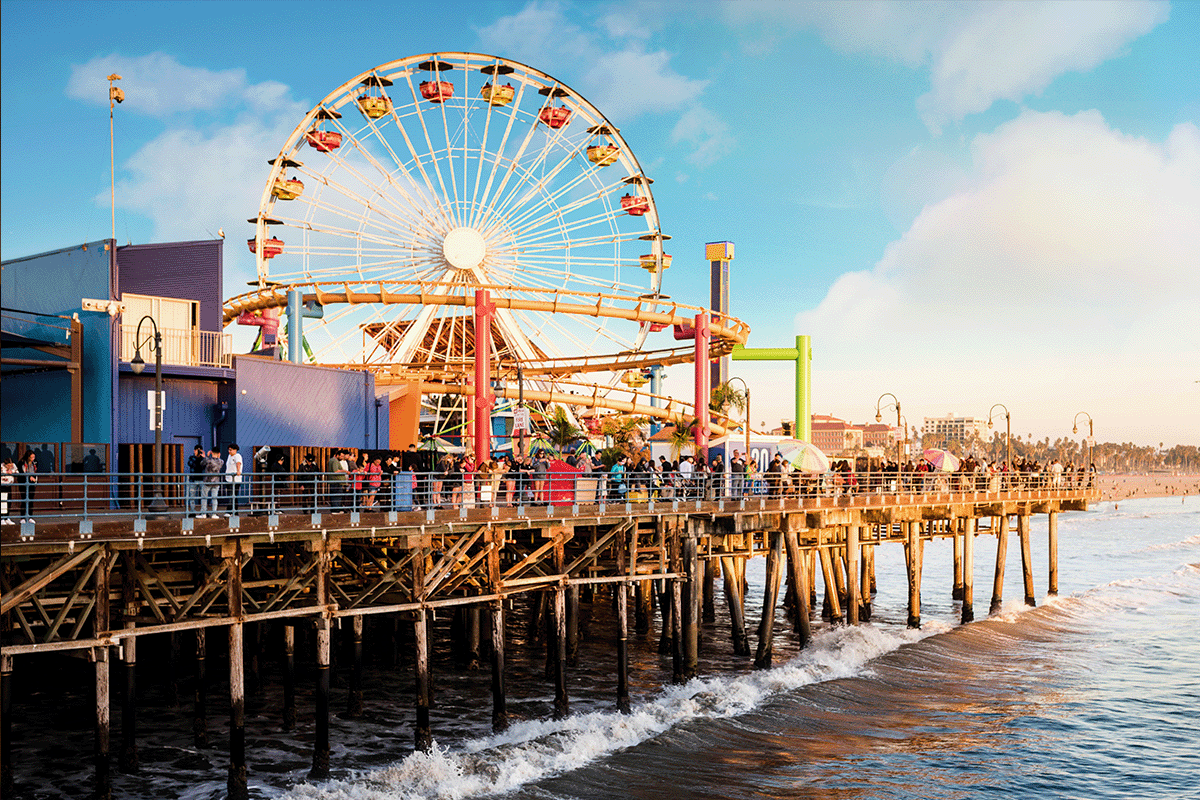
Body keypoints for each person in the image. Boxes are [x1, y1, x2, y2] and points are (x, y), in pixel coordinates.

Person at [201, 448, 224, 517]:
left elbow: (202, 464)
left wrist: (206, 456)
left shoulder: (208, 460)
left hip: (208, 481)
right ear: (219, 453)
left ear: (211, 452)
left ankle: (204, 513)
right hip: (216, 481)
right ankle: (214, 513)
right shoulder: (221, 461)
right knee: (214, 498)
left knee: (204, 497)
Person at [186, 445, 206, 515]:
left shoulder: (204, 458)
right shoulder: (191, 458)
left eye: (200, 450)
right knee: (192, 496)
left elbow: (206, 465)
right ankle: (192, 511)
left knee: (203, 497)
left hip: (202, 479)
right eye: (197, 450)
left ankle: (203, 512)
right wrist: (195, 456)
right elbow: (190, 464)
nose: (198, 452)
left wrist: (204, 457)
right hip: (193, 479)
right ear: (194, 450)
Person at [17, 450, 38, 521]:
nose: (33, 459)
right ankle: (22, 517)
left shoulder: (34, 463)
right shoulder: (22, 463)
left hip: (32, 484)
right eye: (32, 457)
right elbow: (21, 472)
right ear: (28, 457)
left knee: (31, 500)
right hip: (23, 484)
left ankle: (30, 517)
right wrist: (29, 478)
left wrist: (35, 479)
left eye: (34, 457)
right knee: (24, 500)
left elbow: (35, 472)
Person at [224, 443, 243, 514]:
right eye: (228, 450)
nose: (229, 451)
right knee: (231, 496)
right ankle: (234, 511)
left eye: (230, 450)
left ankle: (231, 511)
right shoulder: (229, 456)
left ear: (235, 450)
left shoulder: (237, 456)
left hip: (235, 480)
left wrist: (238, 471)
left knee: (232, 496)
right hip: (229, 480)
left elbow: (238, 463)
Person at [1, 456, 16, 525]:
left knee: (8, 501)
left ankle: (7, 517)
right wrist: (6, 472)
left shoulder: (13, 466)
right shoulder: (1, 467)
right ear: (5, 464)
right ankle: (2, 518)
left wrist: (11, 471)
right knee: (3, 502)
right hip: (2, 485)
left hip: (9, 485)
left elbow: (17, 471)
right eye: (9, 466)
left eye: (11, 465)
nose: (10, 466)